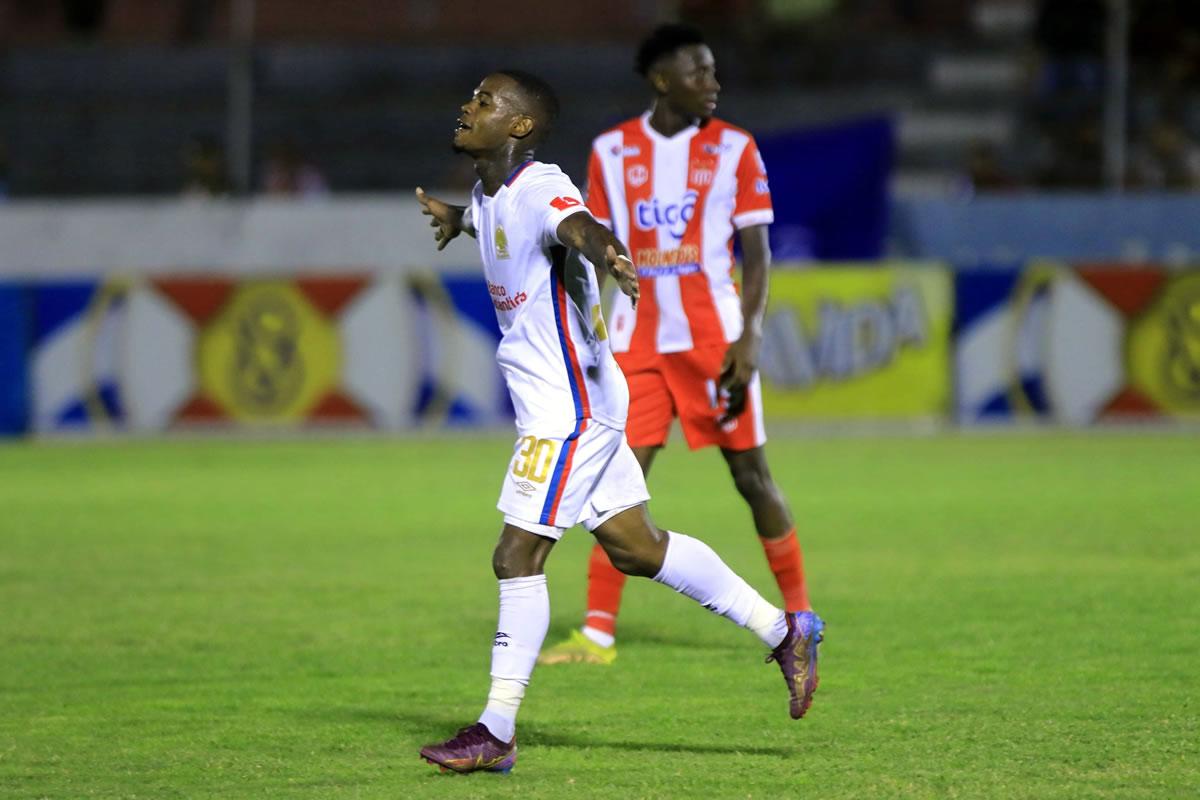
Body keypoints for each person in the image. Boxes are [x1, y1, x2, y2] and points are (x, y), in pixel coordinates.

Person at [415, 69, 823, 775]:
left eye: (485, 102)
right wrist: (458, 217)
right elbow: (498, 219)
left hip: (567, 410)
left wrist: (605, 250)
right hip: (586, 402)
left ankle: (495, 731)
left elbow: (574, 223)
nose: (468, 106)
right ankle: (784, 629)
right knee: (637, 546)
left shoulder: (543, 185)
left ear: (518, 126)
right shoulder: (493, 191)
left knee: (516, 556)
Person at [537, 24, 822, 669]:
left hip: (712, 342)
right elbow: (595, 236)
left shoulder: (737, 149)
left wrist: (749, 338)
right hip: (636, 345)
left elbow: (757, 253)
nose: (713, 84)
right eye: (700, 73)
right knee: (614, 481)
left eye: (715, 72)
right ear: (663, 80)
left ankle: (802, 617)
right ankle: (599, 635)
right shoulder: (612, 150)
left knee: (753, 477)